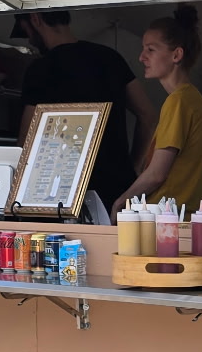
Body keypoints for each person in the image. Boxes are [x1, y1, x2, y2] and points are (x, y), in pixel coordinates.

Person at [15, 11, 158, 212]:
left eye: (25, 31)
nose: (29, 39)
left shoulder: (40, 69)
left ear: (36, 19)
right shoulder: (110, 58)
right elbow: (148, 115)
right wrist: (133, 167)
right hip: (117, 187)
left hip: (62, 192)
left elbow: (26, 142)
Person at [120, 6, 202, 210]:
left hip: (166, 220)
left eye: (151, 50)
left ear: (176, 55)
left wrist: (121, 201)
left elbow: (156, 174)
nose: (142, 57)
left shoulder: (178, 101)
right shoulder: (192, 98)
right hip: (184, 216)